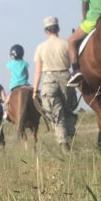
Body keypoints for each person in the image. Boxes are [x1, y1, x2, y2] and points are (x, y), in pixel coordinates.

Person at [31, 16, 77, 147]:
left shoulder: (40, 47)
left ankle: (64, 147)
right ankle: (71, 140)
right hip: (66, 78)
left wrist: (34, 90)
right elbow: (73, 64)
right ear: (58, 28)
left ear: (46, 31)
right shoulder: (67, 43)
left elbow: (38, 72)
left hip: (49, 81)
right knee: (68, 112)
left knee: (57, 115)